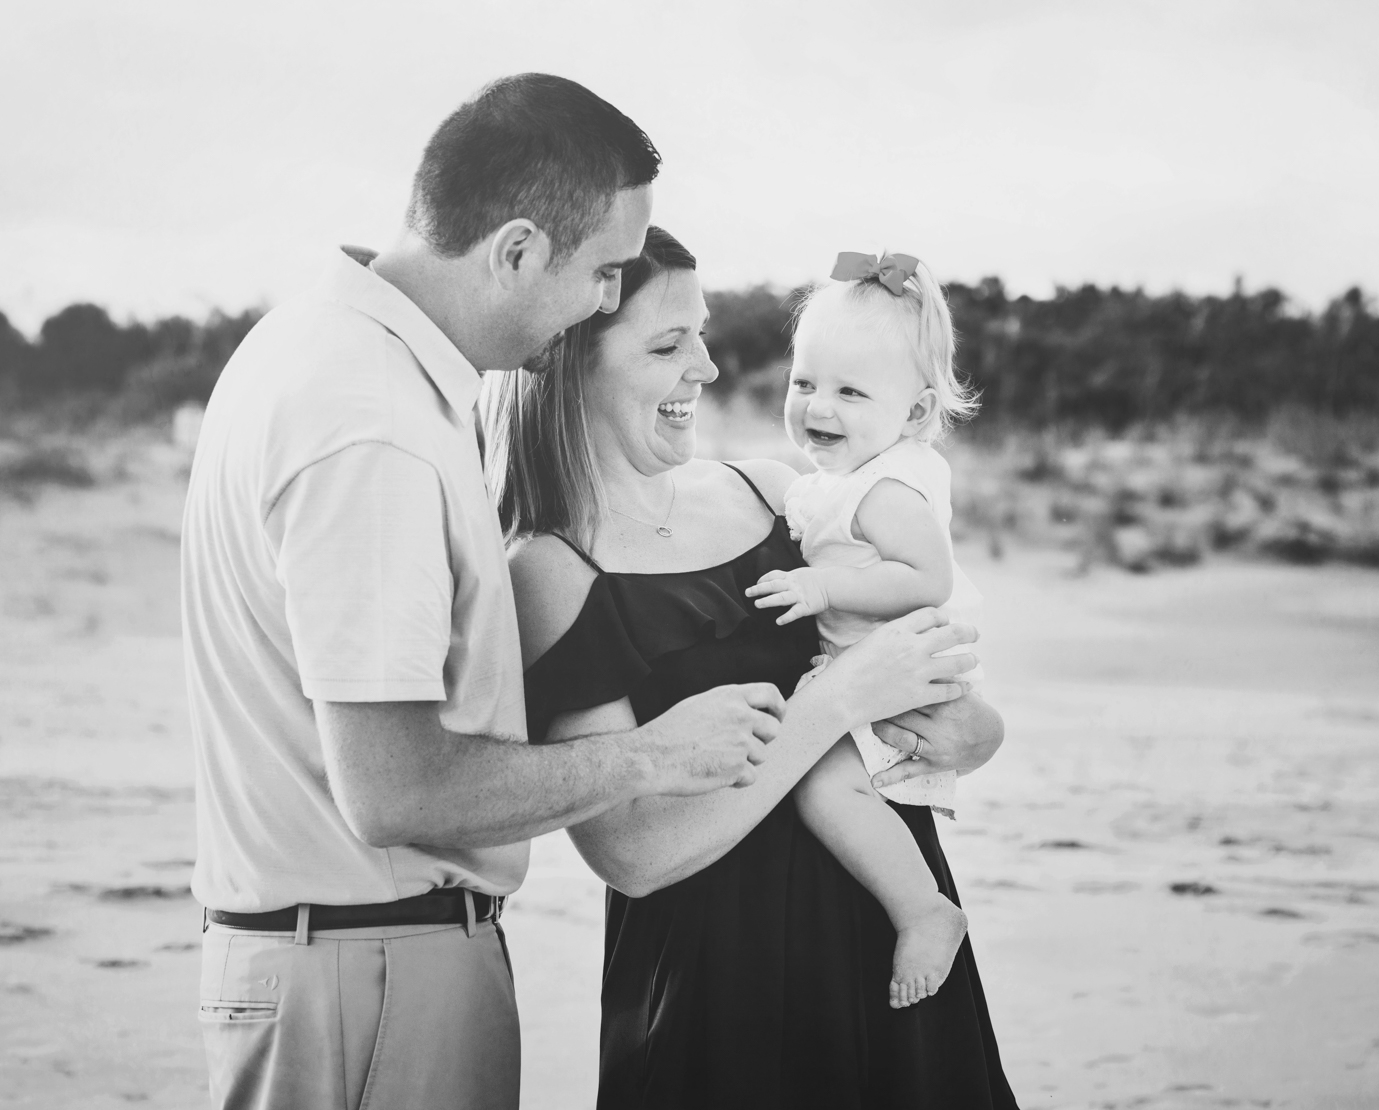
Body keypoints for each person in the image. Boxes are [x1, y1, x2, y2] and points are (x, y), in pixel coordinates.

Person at [182, 75, 788, 1110]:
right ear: (514, 250)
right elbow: (397, 791)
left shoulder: (323, 351)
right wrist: (659, 754)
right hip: (371, 981)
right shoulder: (370, 425)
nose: (607, 299)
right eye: (601, 272)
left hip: (352, 965)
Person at [506, 227, 1018, 1109]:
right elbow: (632, 852)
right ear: (571, 360)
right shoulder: (550, 566)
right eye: (669, 345)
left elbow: (932, 679)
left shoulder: (773, 491)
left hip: (894, 939)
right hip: (722, 991)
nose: (705, 368)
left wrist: (970, 730)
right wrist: (837, 702)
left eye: (702, 336)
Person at [746, 250, 985, 1011]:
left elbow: (927, 578)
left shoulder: (883, 490)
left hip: (889, 676)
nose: (819, 406)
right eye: (805, 383)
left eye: (851, 391)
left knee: (821, 785)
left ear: (913, 413)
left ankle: (923, 908)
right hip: (873, 672)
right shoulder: (846, 480)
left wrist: (822, 586)